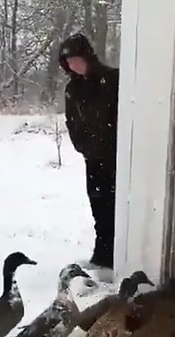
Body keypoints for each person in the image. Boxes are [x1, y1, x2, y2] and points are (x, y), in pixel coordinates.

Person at [59, 33, 119, 271]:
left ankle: (116, 254)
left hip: (116, 157)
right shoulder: (72, 88)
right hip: (92, 158)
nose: (73, 65)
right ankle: (102, 253)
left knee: (116, 206)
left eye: (75, 59)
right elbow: (71, 121)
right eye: (68, 62)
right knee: (98, 205)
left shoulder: (113, 80)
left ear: (87, 57)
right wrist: (81, 145)